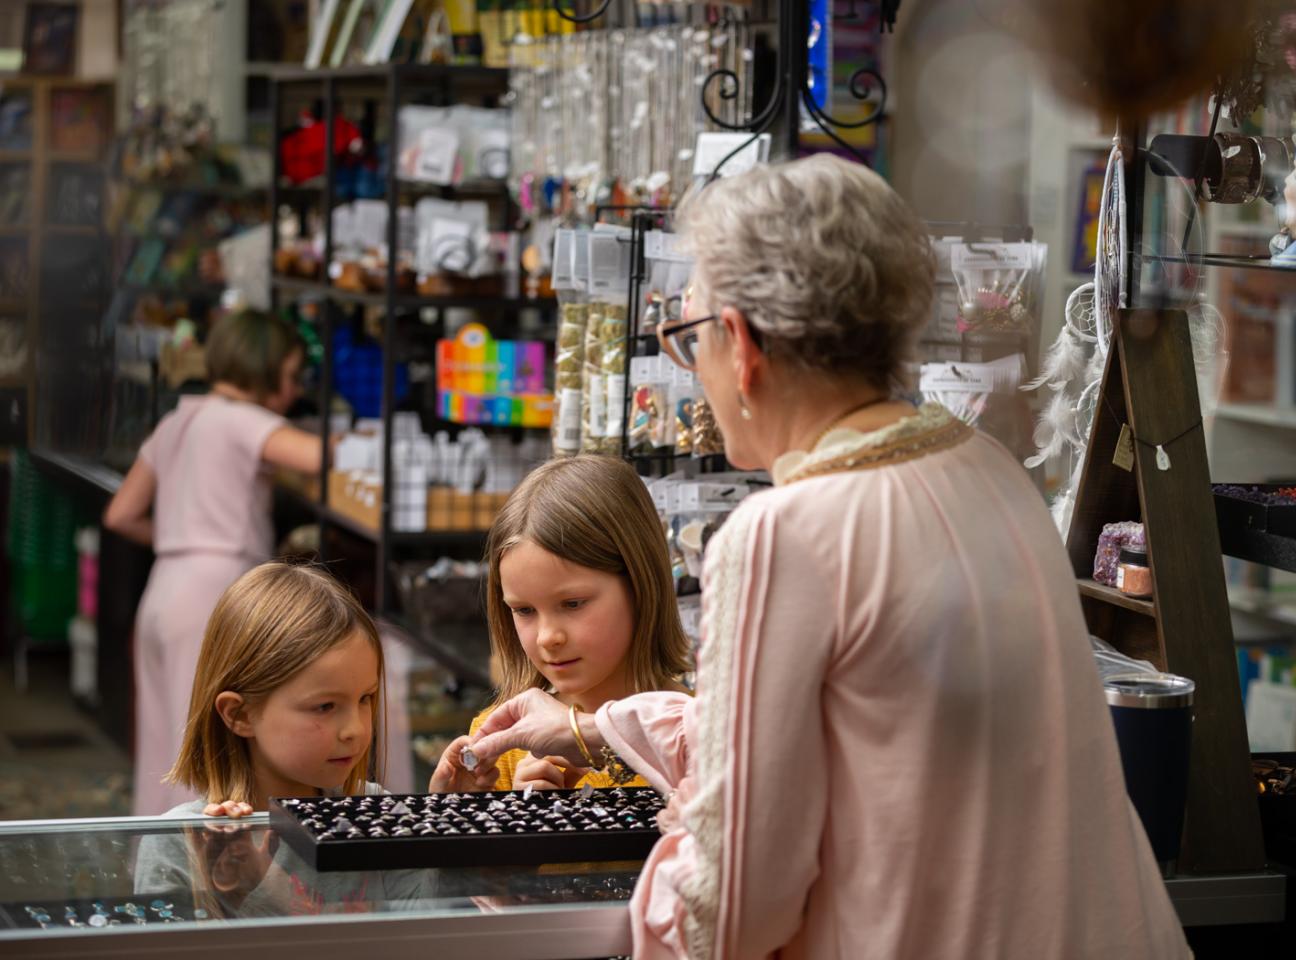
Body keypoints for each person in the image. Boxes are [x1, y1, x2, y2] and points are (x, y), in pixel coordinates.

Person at [467, 155, 1190, 958]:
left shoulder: (784, 534)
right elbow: (869, 734)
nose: (695, 373)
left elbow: (737, 902)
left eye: (688, 340)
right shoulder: (990, 473)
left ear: (738, 345)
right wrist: (598, 727)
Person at [105, 310, 327, 815]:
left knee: (165, 742)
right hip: (215, 588)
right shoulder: (243, 419)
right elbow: (322, 458)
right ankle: (202, 871)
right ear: (265, 368)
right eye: (292, 375)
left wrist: (181, 537)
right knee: (207, 747)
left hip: (164, 585)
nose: (294, 391)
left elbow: (120, 513)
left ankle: (160, 873)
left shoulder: (177, 420)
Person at [131, 563, 428, 916]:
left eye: (365, 698)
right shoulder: (178, 846)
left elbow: (424, 940)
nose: (356, 729)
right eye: (325, 706)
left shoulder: (379, 814)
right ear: (239, 715)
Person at [430, 455, 691, 795]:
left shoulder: (696, 737)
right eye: (524, 610)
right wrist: (469, 819)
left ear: (641, 585)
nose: (548, 637)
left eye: (572, 604)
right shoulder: (498, 744)